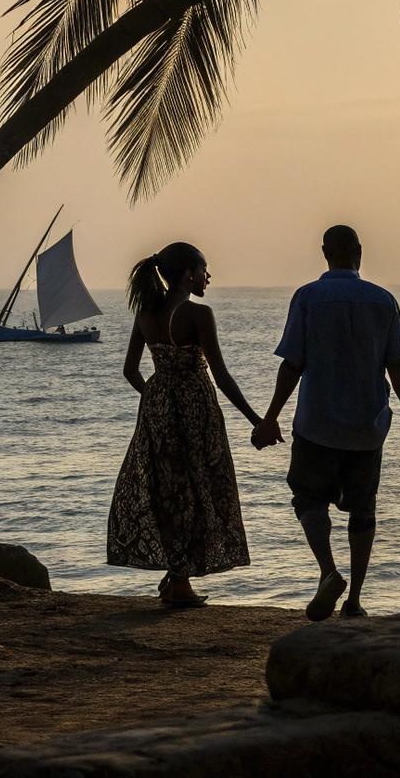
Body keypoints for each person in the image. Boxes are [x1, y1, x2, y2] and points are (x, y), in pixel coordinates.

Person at [255, 225, 400, 621]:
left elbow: (292, 364)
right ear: (359, 251)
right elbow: (397, 366)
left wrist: (270, 417)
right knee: (363, 510)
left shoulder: (307, 297)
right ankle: (355, 601)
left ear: (324, 252)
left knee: (308, 498)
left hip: (317, 423)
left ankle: (329, 572)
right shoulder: (383, 301)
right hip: (367, 425)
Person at [108, 242, 256, 608]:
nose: (208, 276)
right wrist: (257, 420)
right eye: (204, 270)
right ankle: (178, 582)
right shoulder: (198, 314)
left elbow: (130, 371)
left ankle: (177, 575)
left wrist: (156, 397)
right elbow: (221, 376)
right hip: (195, 412)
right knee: (198, 488)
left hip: (157, 412)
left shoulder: (146, 312)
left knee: (169, 491)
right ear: (188, 275)